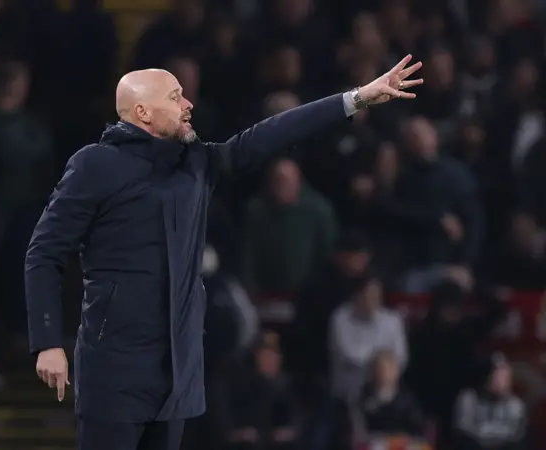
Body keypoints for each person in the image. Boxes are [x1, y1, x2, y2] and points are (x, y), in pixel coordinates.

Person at [25, 55, 423, 450]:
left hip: (177, 375)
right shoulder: (94, 165)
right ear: (143, 111)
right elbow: (44, 252)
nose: (188, 105)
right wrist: (47, 341)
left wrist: (355, 99)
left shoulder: (197, 163)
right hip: (114, 369)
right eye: (176, 96)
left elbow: (271, 134)